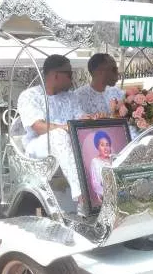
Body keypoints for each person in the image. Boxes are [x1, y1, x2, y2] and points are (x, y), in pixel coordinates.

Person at [17, 54, 85, 214]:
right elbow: (38, 127)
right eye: (69, 74)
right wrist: (65, 128)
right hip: (38, 147)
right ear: (55, 75)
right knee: (59, 135)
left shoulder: (71, 96)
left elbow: (81, 118)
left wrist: (92, 119)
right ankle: (82, 196)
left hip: (69, 143)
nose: (72, 79)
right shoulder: (30, 96)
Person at [75, 53, 123, 117]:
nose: (118, 73)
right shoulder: (78, 97)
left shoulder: (117, 92)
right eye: (114, 70)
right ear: (100, 71)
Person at [89, 130, 112, 202]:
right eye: (102, 145)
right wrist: (109, 194)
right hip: (106, 196)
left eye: (107, 145)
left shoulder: (114, 159)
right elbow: (96, 185)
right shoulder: (95, 161)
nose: (105, 148)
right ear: (98, 147)